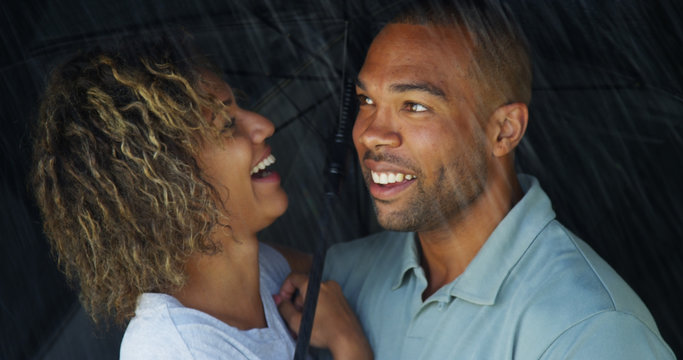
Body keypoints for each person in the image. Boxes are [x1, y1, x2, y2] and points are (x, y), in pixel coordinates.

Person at [278, 0, 675, 358]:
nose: (370, 134)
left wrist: (352, 351)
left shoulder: (590, 330)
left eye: (414, 105)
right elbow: (241, 268)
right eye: (366, 101)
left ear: (504, 130)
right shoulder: (346, 277)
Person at [31, 33, 370, 359]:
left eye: (239, 109)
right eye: (225, 125)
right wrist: (347, 342)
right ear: (169, 181)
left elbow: (366, 275)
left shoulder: (267, 272)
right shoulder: (171, 351)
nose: (264, 125)